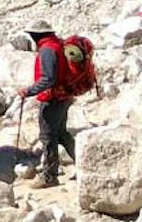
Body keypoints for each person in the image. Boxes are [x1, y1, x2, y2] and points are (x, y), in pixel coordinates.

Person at [17, 28, 91, 186]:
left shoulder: (47, 50)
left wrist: (28, 91)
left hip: (53, 98)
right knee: (62, 134)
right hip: (65, 95)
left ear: (36, 36)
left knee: (48, 136)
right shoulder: (57, 44)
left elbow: (48, 79)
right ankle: (86, 163)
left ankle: (49, 176)